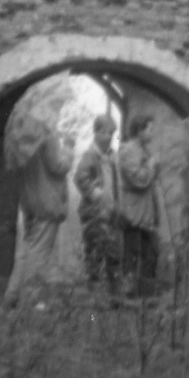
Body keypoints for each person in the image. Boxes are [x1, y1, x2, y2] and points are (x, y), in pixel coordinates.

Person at [3, 123, 73, 308]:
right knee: (39, 252)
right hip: (47, 202)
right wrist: (68, 148)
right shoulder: (47, 137)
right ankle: (31, 299)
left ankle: (12, 295)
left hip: (29, 201)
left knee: (25, 250)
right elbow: (58, 167)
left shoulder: (19, 138)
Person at [117, 114, 170, 298]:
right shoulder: (129, 151)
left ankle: (146, 295)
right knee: (133, 254)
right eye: (149, 129)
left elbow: (150, 177)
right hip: (134, 212)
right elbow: (139, 179)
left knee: (151, 253)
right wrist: (151, 165)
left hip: (145, 212)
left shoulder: (143, 149)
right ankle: (129, 296)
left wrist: (154, 165)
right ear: (139, 130)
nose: (152, 133)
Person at [74, 114, 121, 293]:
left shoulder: (113, 156)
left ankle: (114, 296)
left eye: (111, 133)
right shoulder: (91, 155)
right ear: (95, 132)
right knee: (94, 253)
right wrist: (94, 192)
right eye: (104, 132)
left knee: (114, 255)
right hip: (94, 214)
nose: (108, 137)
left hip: (111, 213)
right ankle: (93, 294)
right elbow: (80, 177)